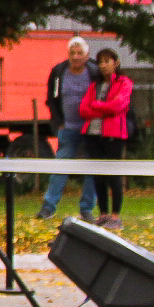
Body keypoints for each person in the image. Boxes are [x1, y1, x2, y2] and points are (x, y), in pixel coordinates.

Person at [37, 36, 100, 222]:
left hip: (90, 129)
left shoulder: (94, 72)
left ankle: (87, 209)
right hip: (68, 128)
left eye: (80, 53)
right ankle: (48, 207)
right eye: (72, 53)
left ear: (87, 55)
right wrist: (59, 122)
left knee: (92, 168)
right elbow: (51, 99)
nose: (76, 56)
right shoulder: (59, 71)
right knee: (60, 166)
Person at [80, 48, 134, 232]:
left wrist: (97, 106)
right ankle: (103, 213)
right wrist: (103, 108)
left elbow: (118, 105)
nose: (103, 65)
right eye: (100, 62)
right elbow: (84, 109)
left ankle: (116, 216)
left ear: (115, 63)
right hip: (93, 135)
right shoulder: (94, 86)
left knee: (113, 175)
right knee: (98, 175)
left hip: (113, 135)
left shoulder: (124, 83)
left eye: (107, 61)